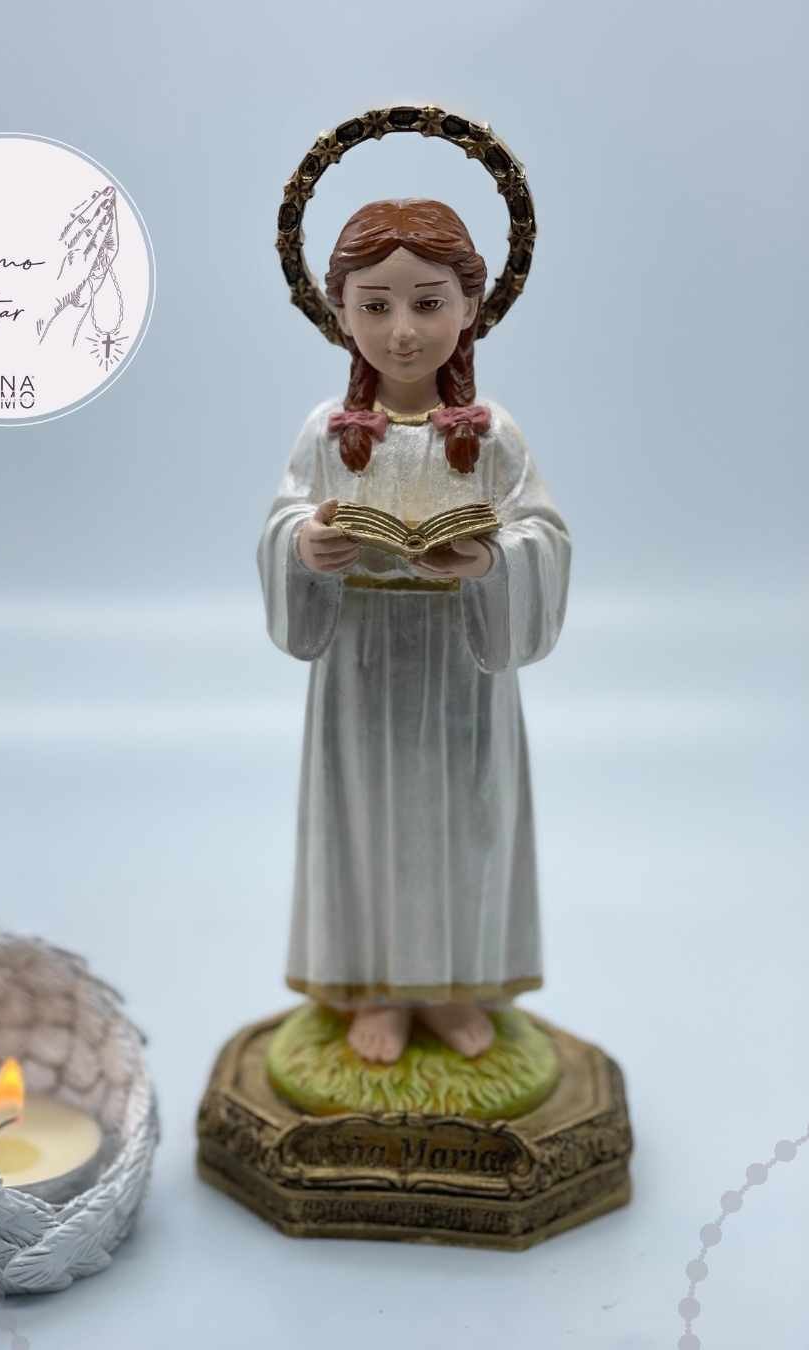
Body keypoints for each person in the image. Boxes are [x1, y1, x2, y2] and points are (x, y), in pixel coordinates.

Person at [257, 199, 571, 1066]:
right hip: (360, 661)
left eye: (427, 303)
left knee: (462, 821)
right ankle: (377, 986)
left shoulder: (492, 436)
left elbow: (543, 535)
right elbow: (283, 520)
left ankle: (451, 984)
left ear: (470, 307)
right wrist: (305, 545)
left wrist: (489, 561)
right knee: (366, 819)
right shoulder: (327, 433)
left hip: (462, 661)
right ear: (341, 311)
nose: (402, 331)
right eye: (376, 305)